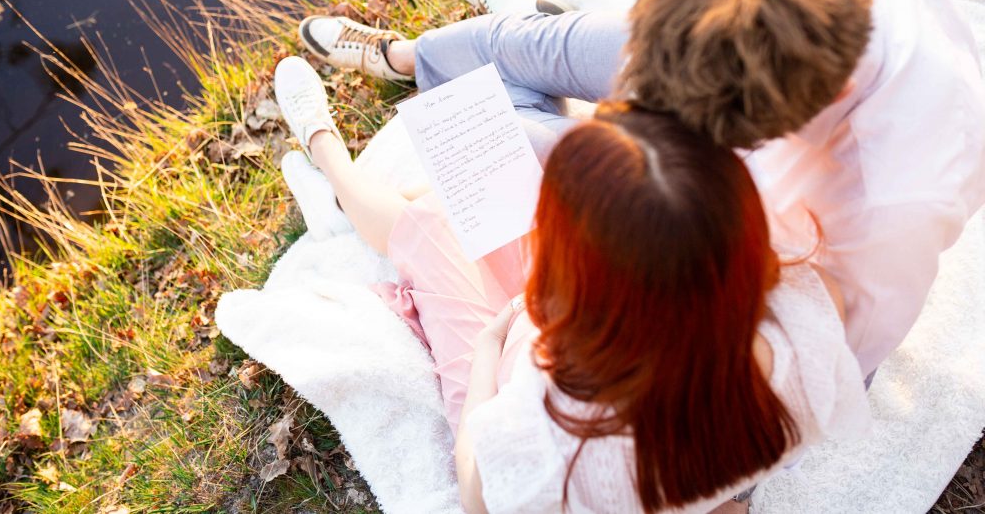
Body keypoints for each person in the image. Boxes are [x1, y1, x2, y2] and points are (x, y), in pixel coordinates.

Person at [294, 0, 985, 379]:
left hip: (696, 220)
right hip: (736, 71)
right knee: (533, 46)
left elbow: (825, 362)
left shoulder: (888, 204)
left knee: (501, 151)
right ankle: (416, 54)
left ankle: (473, 102)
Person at [272, 55, 869, 513]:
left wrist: (489, 351)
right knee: (465, 215)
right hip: (652, 400)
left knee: (430, 229)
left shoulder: (562, 426)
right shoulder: (799, 321)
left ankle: (329, 163)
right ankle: (356, 192)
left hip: (522, 370)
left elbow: (479, 496)